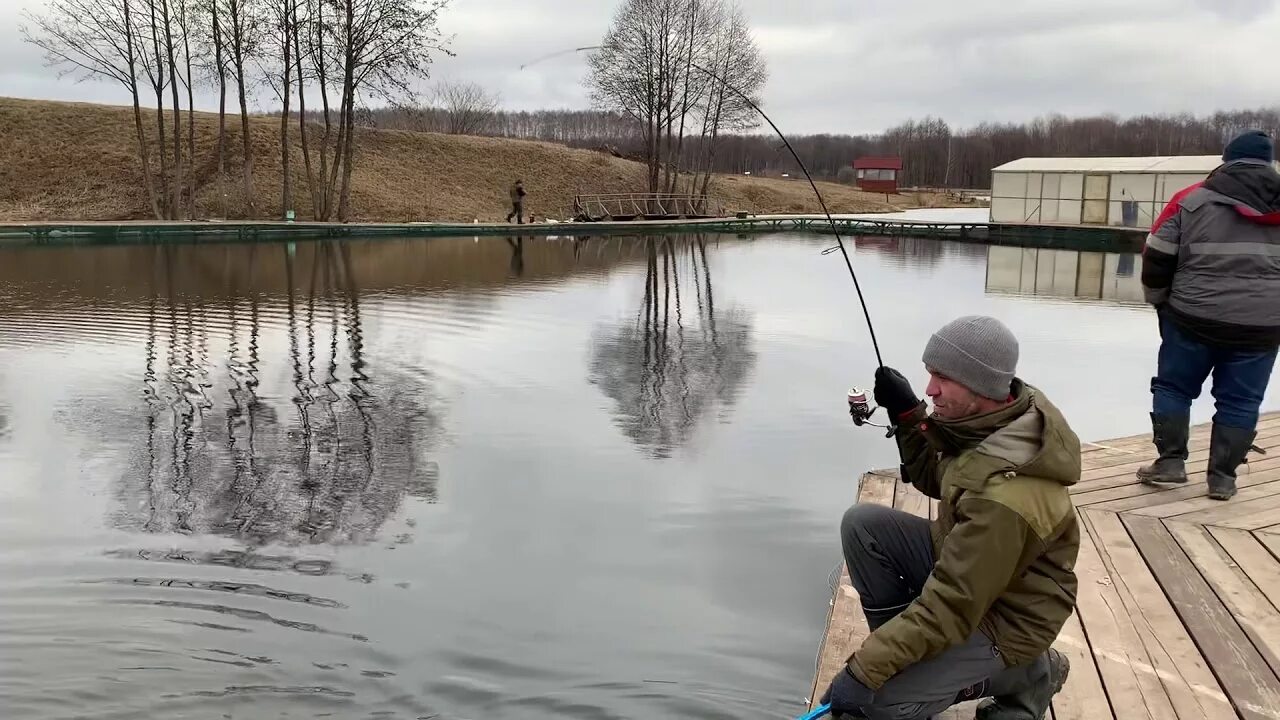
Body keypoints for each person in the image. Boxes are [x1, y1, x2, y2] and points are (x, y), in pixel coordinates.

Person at [821, 316, 1079, 720]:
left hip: (1007, 619)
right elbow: (936, 477)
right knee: (864, 526)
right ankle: (911, 661)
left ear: (980, 383)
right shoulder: (991, 419)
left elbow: (952, 603)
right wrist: (908, 414)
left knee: (879, 704)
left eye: (942, 378)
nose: (930, 388)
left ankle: (1031, 672)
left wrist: (864, 671)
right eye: (929, 374)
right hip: (972, 572)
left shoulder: (1007, 494)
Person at [1138, 130, 1280, 500]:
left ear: (1226, 159)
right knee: (1242, 400)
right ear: (1269, 162)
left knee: (1173, 387)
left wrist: (1159, 301)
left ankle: (1170, 464)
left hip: (1191, 317)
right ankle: (1222, 478)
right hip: (1261, 327)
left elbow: (1156, 253)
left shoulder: (1190, 200)